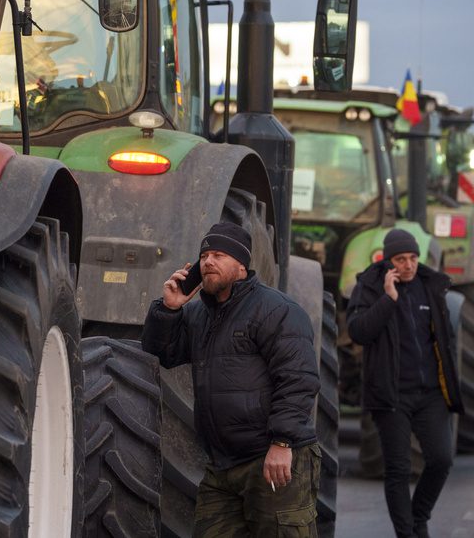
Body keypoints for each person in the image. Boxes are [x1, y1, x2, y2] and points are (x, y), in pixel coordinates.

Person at [142, 222, 321, 537]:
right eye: (205, 255)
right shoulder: (200, 314)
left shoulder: (276, 310)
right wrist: (169, 310)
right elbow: (163, 354)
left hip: (273, 459)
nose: (208, 262)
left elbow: (298, 379)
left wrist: (281, 442)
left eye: (219, 255)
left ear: (241, 265)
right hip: (222, 466)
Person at [346, 228, 464, 538]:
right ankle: (408, 534)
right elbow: (358, 331)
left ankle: (418, 515)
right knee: (397, 470)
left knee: (441, 459)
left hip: (430, 394)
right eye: (401, 259)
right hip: (391, 395)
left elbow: (445, 339)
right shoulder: (368, 286)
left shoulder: (431, 285)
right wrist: (389, 299)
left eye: (413, 258)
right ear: (388, 261)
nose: (409, 265)